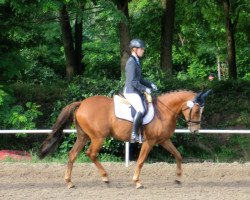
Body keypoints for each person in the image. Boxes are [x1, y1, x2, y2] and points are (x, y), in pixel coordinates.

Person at [123, 39, 158, 143]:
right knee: (141, 110)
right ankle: (134, 134)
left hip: (135, 91)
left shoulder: (136, 61)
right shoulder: (131, 62)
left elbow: (140, 79)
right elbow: (133, 81)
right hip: (131, 91)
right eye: (141, 49)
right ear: (134, 49)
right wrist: (145, 89)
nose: (143, 51)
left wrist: (150, 84)